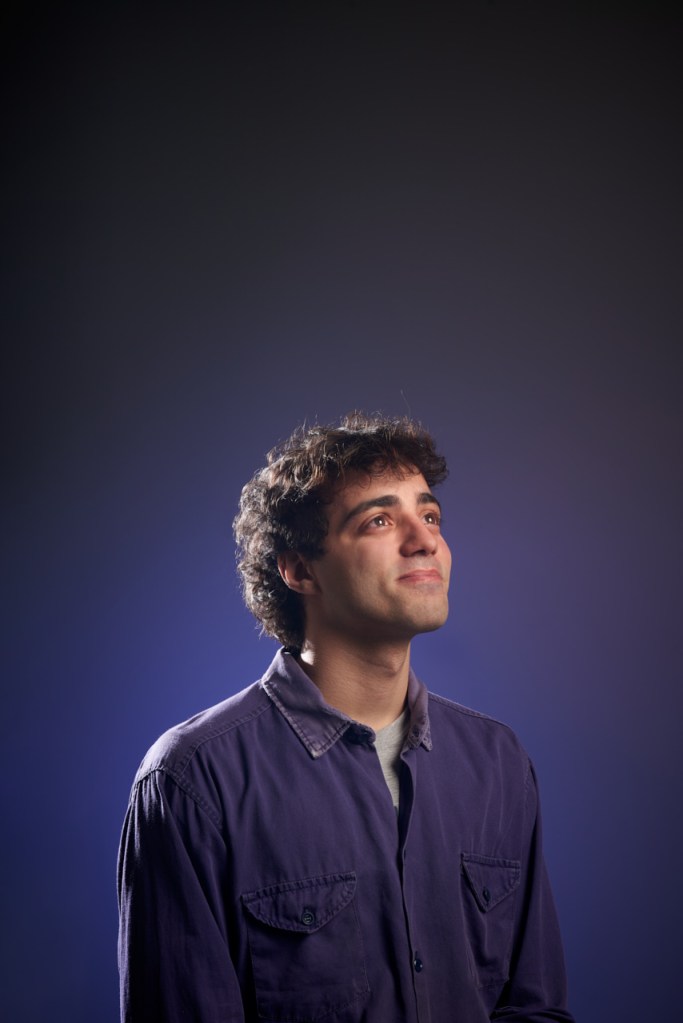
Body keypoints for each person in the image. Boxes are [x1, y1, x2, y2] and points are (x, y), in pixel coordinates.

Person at [117, 411, 574, 1022]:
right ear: (299, 569)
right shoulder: (193, 781)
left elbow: (535, 1009)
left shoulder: (498, 764)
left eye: (430, 516)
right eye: (379, 520)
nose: (424, 540)